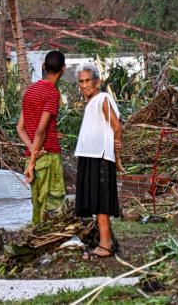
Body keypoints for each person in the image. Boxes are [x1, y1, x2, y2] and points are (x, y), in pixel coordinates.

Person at [73, 63, 124, 259]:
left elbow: (117, 128)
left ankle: (104, 246)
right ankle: (107, 242)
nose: (84, 85)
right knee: (96, 200)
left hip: (101, 157)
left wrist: (117, 156)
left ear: (97, 82)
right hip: (90, 155)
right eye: (81, 81)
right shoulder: (92, 102)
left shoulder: (103, 98)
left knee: (101, 202)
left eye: (88, 81)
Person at [16, 51, 67, 224]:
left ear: (44, 67)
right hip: (48, 156)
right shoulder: (52, 94)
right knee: (54, 208)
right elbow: (41, 131)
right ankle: (53, 246)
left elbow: (20, 128)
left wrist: (32, 152)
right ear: (63, 69)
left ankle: (37, 244)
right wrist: (32, 161)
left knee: (38, 208)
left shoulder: (30, 91)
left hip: (34, 156)